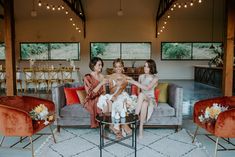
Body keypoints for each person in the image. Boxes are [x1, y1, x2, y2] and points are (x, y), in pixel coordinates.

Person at [97, 58, 132, 138]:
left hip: (121, 94)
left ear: (122, 67)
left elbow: (122, 88)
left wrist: (117, 93)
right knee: (113, 102)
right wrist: (116, 85)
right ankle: (118, 128)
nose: (118, 68)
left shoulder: (125, 77)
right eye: (116, 67)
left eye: (120, 66)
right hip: (113, 94)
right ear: (114, 68)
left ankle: (120, 126)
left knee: (120, 101)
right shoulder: (111, 77)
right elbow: (111, 90)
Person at [128, 59, 158, 139]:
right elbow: (138, 91)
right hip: (142, 99)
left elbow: (147, 88)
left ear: (152, 68)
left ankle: (135, 116)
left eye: (148, 67)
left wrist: (134, 82)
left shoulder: (155, 78)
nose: (145, 68)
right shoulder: (141, 76)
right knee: (144, 103)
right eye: (145, 66)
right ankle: (141, 128)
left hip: (151, 99)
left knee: (142, 94)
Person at [83, 57, 108, 128]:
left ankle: (107, 123)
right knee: (98, 100)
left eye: (101, 65)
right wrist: (101, 83)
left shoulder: (102, 76)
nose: (101, 67)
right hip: (91, 99)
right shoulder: (87, 77)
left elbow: (104, 91)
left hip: (101, 96)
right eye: (99, 65)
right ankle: (101, 123)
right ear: (93, 66)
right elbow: (90, 94)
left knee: (107, 100)